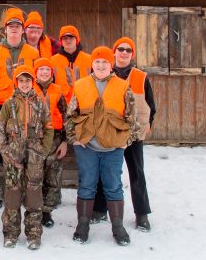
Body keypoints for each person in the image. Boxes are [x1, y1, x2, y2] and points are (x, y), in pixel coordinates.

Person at [65, 46, 141, 246]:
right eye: (97, 61)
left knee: (113, 186)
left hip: (113, 148)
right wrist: (74, 138)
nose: (100, 65)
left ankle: (118, 227)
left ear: (111, 64)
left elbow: (133, 118)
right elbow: (70, 115)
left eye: (105, 62)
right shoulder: (80, 85)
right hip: (87, 147)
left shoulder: (123, 86)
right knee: (87, 185)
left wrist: (126, 141)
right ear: (92, 63)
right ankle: (82, 225)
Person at [91, 37, 156, 231]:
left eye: (128, 50)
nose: (124, 52)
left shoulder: (141, 77)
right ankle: (100, 209)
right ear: (114, 52)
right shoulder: (103, 73)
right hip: (110, 133)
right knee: (106, 172)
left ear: (132, 54)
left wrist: (145, 127)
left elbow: (151, 106)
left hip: (133, 134)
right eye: (120, 49)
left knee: (136, 172)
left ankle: (142, 214)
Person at [0, 8, 39, 209]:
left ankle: (20, 189)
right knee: (2, 147)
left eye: (18, 26)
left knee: (23, 146)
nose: (14, 30)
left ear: (23, 30)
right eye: (11, 26)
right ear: (5, 29)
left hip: (24, 105)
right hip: (0, 106)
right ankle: (1, 190)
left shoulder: (33, 53)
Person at [0, 65, 53, 250]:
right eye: (21, 80)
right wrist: (4, 150)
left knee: (34, 195)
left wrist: (43, 150)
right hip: (13, 154)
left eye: (28, 80)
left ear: (32, 82)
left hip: (35, 155)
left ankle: (34, 234)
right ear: (16, 82)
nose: (25, 83)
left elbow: (49, 127)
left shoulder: (41, 103)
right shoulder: (9, 103)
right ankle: (11, 233)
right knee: (12, 194)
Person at [33, 58, 68, 228]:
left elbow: (66, 116)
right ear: (36, 72)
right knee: (35, 175)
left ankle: (47, 211)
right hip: (35, 139)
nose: (45, 72)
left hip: (55, 139)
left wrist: (65, 141)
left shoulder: (58, 91)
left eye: (48, 69)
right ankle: (35, 209)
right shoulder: (28, 89)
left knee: (53, 176)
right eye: (41, 69)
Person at [49, 25, 91, 103]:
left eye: (71, 38)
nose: (68, 41)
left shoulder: (89, 59)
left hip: (84, 103)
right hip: (61, 105)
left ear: (77, 40)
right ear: (61, 41)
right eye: (65, 38)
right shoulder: (53, 61)